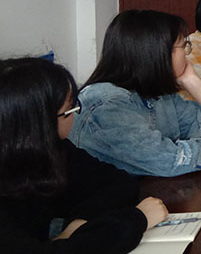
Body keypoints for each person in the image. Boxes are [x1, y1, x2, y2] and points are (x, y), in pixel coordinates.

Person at [69, 10, 201, 177]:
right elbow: (166, 159)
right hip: (108, 207)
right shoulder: (108, 105)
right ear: (156, 53)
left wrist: (192, 81)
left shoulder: (156, 93)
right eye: (184, 46)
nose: (188, 53)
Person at [0, 56, 168, 252]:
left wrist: (77, 224)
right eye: (68, 111)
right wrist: (138, 219)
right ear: (38, 124)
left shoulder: (49, 149)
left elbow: (118, 183)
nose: (74, 116)